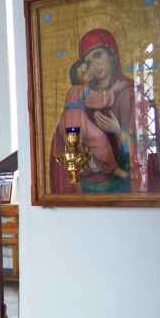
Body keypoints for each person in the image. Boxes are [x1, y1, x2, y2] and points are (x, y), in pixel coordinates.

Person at [50, 28, 142, 194]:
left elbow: (143, 144)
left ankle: (111, 168)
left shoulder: (129, 92)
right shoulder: (81, 92)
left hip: (121, 189)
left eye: (98, 55)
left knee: (99, 140)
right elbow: (64, 143)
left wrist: (117, 130)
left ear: (111, 55)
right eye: (88, 61)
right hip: (86, 185)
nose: (94, 65)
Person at [57, 58, 130, 180]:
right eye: (83, 72)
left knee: (92, 141)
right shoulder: (80, 89)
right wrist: (113, 90)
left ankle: (94, 167)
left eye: (88, 71)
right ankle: (109, 168)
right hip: (75, 121)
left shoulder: (76, 90)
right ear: (76, 77)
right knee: (96, 140)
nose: (88, 74)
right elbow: (98, 99)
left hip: (71, 120)